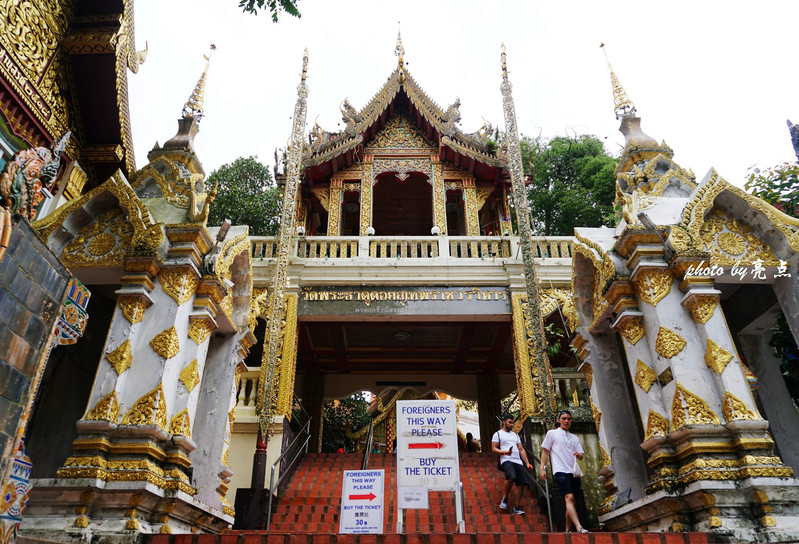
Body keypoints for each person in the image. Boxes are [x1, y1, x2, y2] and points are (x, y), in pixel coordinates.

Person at [539, 410, 589, 534]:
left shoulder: (574, 438)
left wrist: (579, 455)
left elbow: (581, 454)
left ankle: (567, 530)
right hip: (560, 470)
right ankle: (579, 527)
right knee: (569, 497)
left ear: (571, 421)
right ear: (559, 420)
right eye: (564, 418)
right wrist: (542, 468)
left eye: (568, 419)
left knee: (571, 500)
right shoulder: (552, 434)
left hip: (573, 471)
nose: (566, 421)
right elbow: (545, 451)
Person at [492, 415, 533, 515]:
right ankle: (505, 497)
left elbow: (521, 449)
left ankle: (516, 507)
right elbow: (494, 448)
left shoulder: (515, 435)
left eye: (512, 422)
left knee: (521, 483)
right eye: (510, 422)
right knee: (511, 476)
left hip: (517, 461)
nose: (512, 424)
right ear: (504, 422)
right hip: (506, 459)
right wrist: (505, 452)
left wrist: (527, 462)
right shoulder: (498, 434)